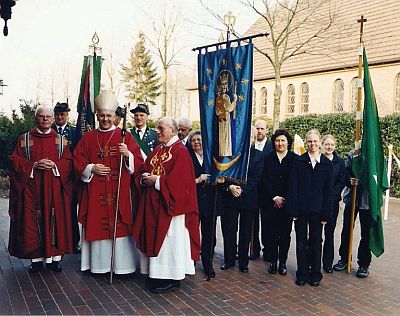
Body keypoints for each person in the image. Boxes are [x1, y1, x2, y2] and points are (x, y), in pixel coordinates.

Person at [74, 90, 143, 275]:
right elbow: (77, 160)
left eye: (109, 115)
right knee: (96, 222)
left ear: (115, 117)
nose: (105, 119)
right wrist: (91, 168)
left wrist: (127, 154)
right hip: (96, 192)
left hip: (118, 190)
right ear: (97, 116)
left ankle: (122, 267)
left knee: (120, 224)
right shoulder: (88, 137)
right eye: (102, 115)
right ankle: (98, 266)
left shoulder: (125, 136)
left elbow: (139, 162)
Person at [132, 117, 200, 294]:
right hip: (154, 205)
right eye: (157, 128)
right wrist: (145, 175)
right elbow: (144, 168)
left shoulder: (180, 152)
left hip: (171, 208)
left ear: (173, 130)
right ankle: (156, 274)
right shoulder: (158, 150)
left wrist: (157, 181)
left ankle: (172, 278)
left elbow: (182, 182)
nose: (158, 132)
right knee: (156, 239)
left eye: (161, 128)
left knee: (170, 242)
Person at [8, 106, 73, 273]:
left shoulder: (61, 141)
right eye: (41, 116)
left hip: (54, 190)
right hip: (32, 189)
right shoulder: (24, 139)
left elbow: (69, 163)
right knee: (32, 220)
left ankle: (54, 260)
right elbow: (15, 161)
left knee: (54, 220)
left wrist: (55, 165)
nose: (45, 119)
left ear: (53, 119)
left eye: (48, 117)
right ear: (35, 118)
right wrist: (33, 165)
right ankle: (35, 260)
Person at [287, 129, 333, 287]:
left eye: (315, 141)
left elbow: (329, 192)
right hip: (301, 210)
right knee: (301, 242)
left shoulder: (327, 165)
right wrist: (293, 210)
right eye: (310, 141)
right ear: (306, 142)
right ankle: (302, 273)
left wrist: (326, 214)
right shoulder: (299, 161)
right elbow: (293, 187)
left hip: (319, 211)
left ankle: (315, 274)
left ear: (319, 142)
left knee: (316, 242)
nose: (312, 144)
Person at [220, 126, 264, 273]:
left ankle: (243, 262)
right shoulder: (229, 154)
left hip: (248, 199)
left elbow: (256, 178)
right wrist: (229, 187)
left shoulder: (259, 155)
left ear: (253, 138)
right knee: (229, 230)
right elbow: (222, 172)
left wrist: (242, 189)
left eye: (250, 136)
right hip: (229, 197)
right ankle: (229, 260)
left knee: (245, 232)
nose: (247, 139)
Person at [260, 128, 296, 276]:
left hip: (287, 204)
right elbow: (264, 180)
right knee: (271, 233)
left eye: (283, 141)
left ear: (288, 143)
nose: (280, 143)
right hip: (270, 203)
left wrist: (284, 198)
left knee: (285, 234)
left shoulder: (294, 159)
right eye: (277, 141)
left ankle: (283, 262)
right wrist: (274, 197)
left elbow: (294, 182)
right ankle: (273, 262)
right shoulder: (267, 158)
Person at [188, 130, 223, 278]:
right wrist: (197, 179)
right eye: (194, 140)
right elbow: (182, 181)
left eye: (199, 140)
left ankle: (208, 262)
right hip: (194, 202)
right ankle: (191, 261)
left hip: (210, 202)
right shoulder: (188, 158)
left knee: (210, 234)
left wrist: (219, 180)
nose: (197, 142)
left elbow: (221, 175)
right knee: (192, 232)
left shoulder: (211, 158)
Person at [333, 151, 372, 278]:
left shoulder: (375, 152)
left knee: (366, 232)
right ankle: (344, 258)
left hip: (368, 200)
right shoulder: (353, 154)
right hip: (352, 198)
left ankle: (364, 264)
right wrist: (350, 180)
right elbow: (346, 172)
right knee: (347, 229)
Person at [53, 102, 80, 254]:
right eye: (57, 114)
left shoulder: (75, 132)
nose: (59, 117)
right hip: (54, 177)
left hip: (71, 178)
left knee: (70, 210)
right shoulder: (49, 131)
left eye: (62, 114)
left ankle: (73, 242)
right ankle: (55, 240)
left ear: (67, 116)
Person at [321, 135, 345, 273]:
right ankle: (313, 261)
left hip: (332, 203)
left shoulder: (340, 162)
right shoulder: (318, 159)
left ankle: (327, 264)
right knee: (316, 235)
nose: (329, 147)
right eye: (327, 144)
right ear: (322, 145)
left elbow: (341, 182)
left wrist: (331, 197)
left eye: (332, 144)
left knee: (329, 233)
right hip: (318, 202)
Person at [251, 119, 274, 261]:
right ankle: (254, 248)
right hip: (253, 189)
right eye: (257, 129)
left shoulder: (272, 146)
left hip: (266, 189)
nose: (259, 131)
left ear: (266, 130)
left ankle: (268, 249)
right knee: (253, 220)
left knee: (267, 221)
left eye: (262, 129)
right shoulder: (250, 145)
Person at [215, 73, 237, 157]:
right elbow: (218, 111)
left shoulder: (226, 97)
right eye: (223, 84)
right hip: (222, 118)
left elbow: (229, 108)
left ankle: (227, 151)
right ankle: (223, 152)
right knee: (222, 135)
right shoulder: (220, 98)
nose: (224, 86)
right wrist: (234, 101)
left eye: (225, 84)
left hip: (227, 117)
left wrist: (234, 101)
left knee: (226, 135)